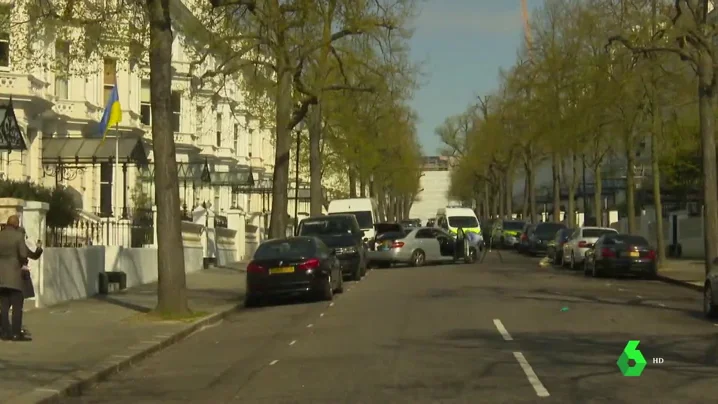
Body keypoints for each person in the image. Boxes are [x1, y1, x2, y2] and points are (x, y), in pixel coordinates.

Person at [0, 215, 40, 341]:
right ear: (16, 224)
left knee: (4, 307)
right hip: (15, 277)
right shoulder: (18, 237)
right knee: (17, 307)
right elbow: (23, 255)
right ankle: (16, 333)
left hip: (1, 277)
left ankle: (5, 332)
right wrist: (25, 260)